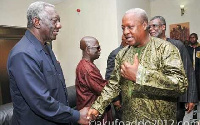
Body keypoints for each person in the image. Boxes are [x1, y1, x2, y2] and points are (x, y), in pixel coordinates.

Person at [87, 8, 188, 124]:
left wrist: (140, 75)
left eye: (130, 27)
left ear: (144, 25)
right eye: (123, 28)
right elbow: (113, 85)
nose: (125, 32)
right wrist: (97, 106)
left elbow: (180, 85)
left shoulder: (165, 49)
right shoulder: (122, 54)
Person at [7, 1, 89, 125]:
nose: (59, 25)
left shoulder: (47, 48)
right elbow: (40, 101)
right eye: (54, 20)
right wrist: (76, 116)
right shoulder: (23, 54)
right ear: (37, 22)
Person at [149, 16, 198, 123]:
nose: (151, 29)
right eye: (149, 27)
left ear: (163, 27)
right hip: (154, 99)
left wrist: (191, 98)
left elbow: (188, 71)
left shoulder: (177, 45)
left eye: (154, 26)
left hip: (175, 99)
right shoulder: (148, 47)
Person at [75, 36, 112, 125]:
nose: (100, 50)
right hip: (93, 115)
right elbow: (104, 90)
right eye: (97, 48)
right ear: (88, 49)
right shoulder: (88, 69)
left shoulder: (85, 64)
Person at [105, 34, 128, 124]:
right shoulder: (115, 54)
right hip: (120, 98)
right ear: (123, 40)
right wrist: (115, 99)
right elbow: (110, 78)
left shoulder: (131, 51)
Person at [186, 33, 200, 119]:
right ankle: (191, 102)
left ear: (197, 38)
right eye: (190, 37)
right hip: (189, 72)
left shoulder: (199, 48)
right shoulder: (187, 48)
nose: (192, 39)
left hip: (199, 72)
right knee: (191, 88)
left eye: (194, 37)